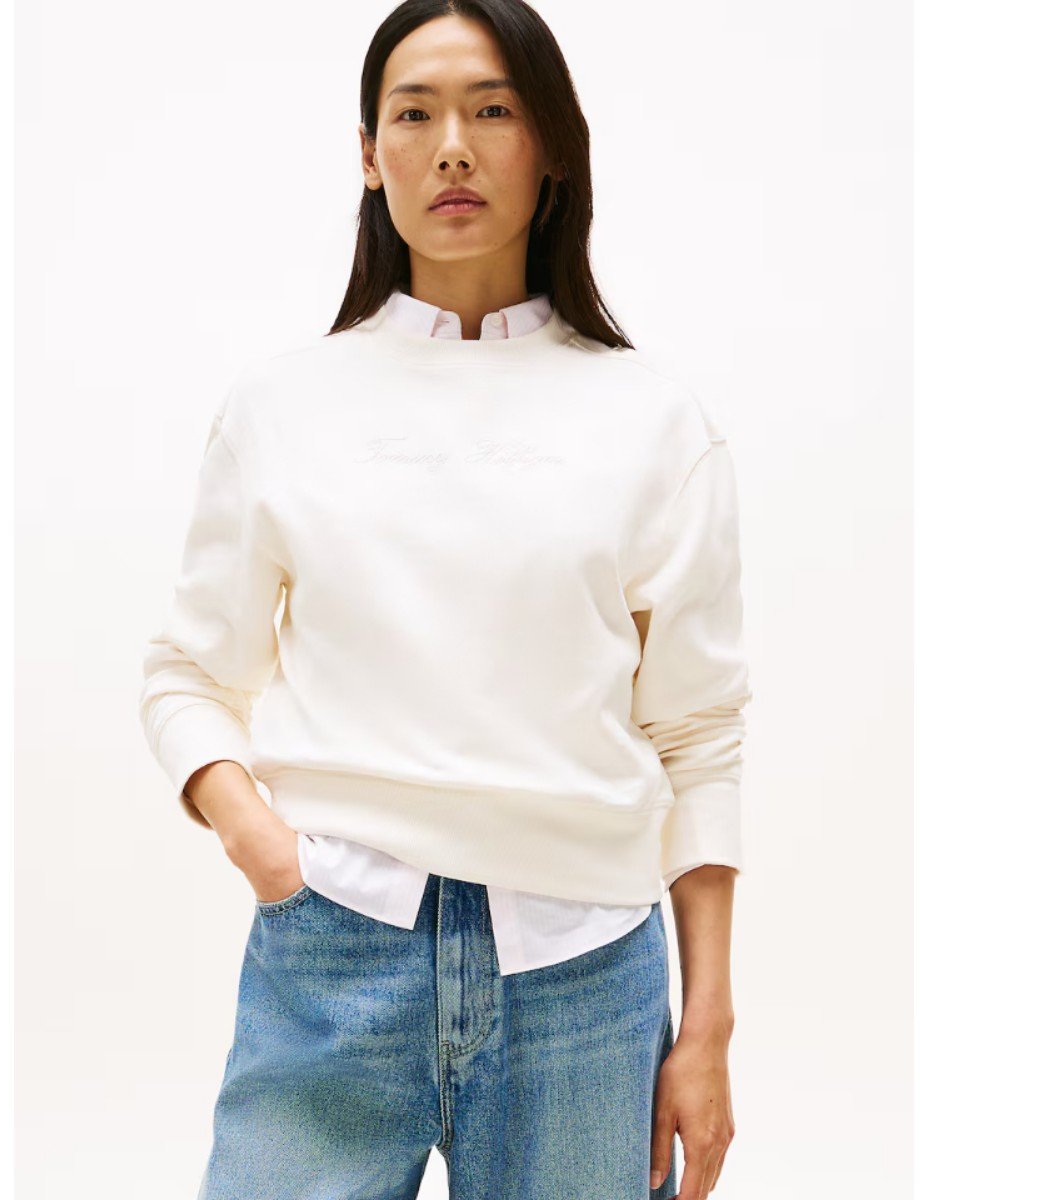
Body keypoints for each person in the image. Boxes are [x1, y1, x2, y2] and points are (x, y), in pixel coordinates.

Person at [138, 3, 752, 1197]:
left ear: (551, 144)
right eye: (414, 114)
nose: (453, 147)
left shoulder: (653, 419)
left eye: (493, 109)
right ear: (370, 156)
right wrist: (265, 849)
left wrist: (709, 1028)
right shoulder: (283, 406)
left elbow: (698, 734)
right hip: (331, 953)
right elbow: (187, 674)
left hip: (584, 981)